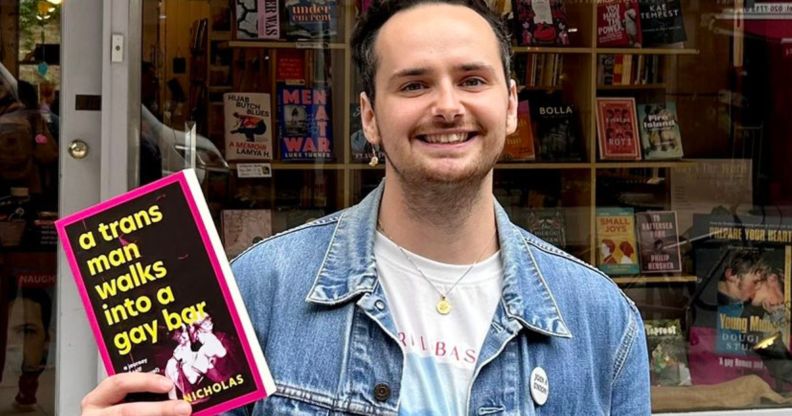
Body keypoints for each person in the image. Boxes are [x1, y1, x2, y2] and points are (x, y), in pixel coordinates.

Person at [80, 0, 649, 414]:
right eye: (413, 85)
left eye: (472, 79)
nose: (447, 107)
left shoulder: (602, 320)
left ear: (509, 106)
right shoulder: (262, 290)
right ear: (369, 116)